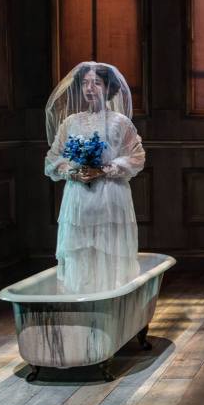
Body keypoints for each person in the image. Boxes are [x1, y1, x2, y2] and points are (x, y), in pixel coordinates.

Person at [44, 62, 145, 293]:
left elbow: (136, 157)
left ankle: (111, 298)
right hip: (78, 198)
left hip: (110, 197)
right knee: (80, 252)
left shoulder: (120, 122)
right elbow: (53, 158)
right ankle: (82, 299)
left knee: (109, 250)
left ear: (108, 88)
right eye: (85, 83)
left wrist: (104, 170)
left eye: (96, 83)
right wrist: (72, 171)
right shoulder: (70, 122)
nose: (89, 88)